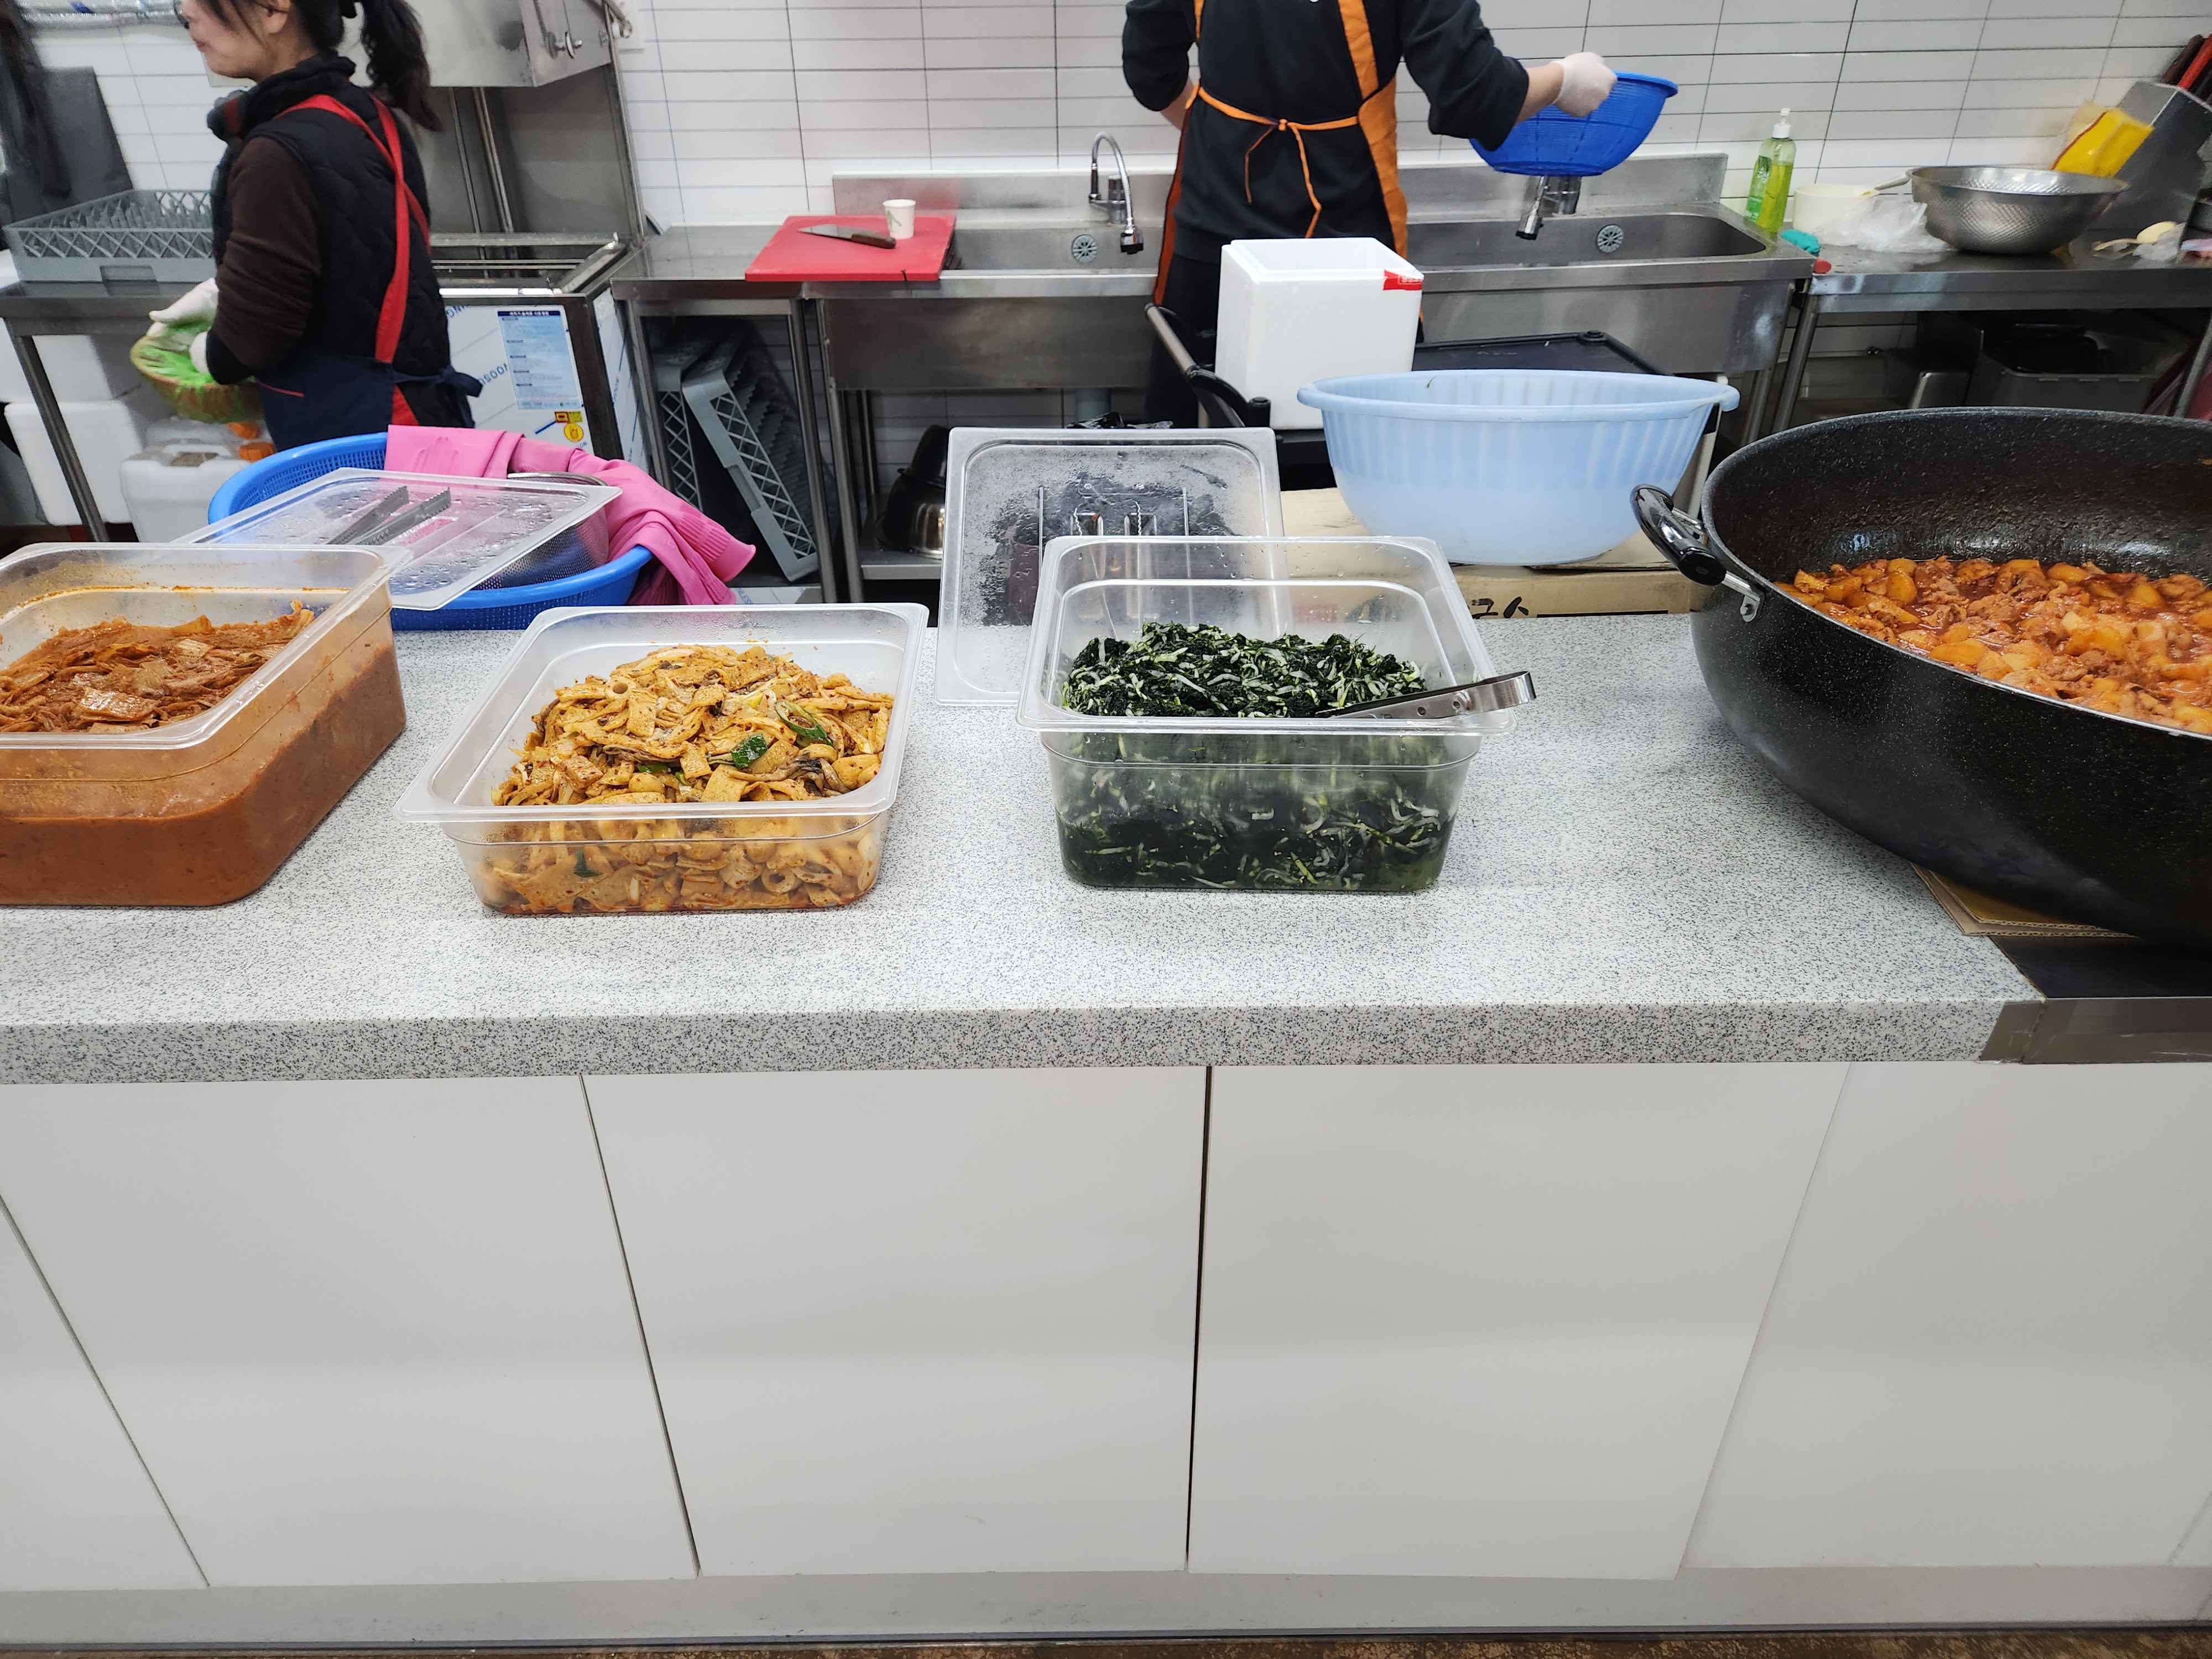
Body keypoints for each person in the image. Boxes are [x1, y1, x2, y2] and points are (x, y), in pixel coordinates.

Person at [1124, 0, 1616, 421]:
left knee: (1195, 458)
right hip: (1348, 251)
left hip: (1212, 238)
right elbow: (1475, 97)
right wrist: (1566, 79)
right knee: (1340, 452)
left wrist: (1227, 137)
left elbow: (1152, 71)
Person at [154, 0, 478, 449]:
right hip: (420, 420)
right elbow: (351, 266)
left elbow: (249, 346)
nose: (187, 11)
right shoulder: (364, 112)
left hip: (360, 445)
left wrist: (209, 352)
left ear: (274, 10)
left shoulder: (276, 152)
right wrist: (229, 290)